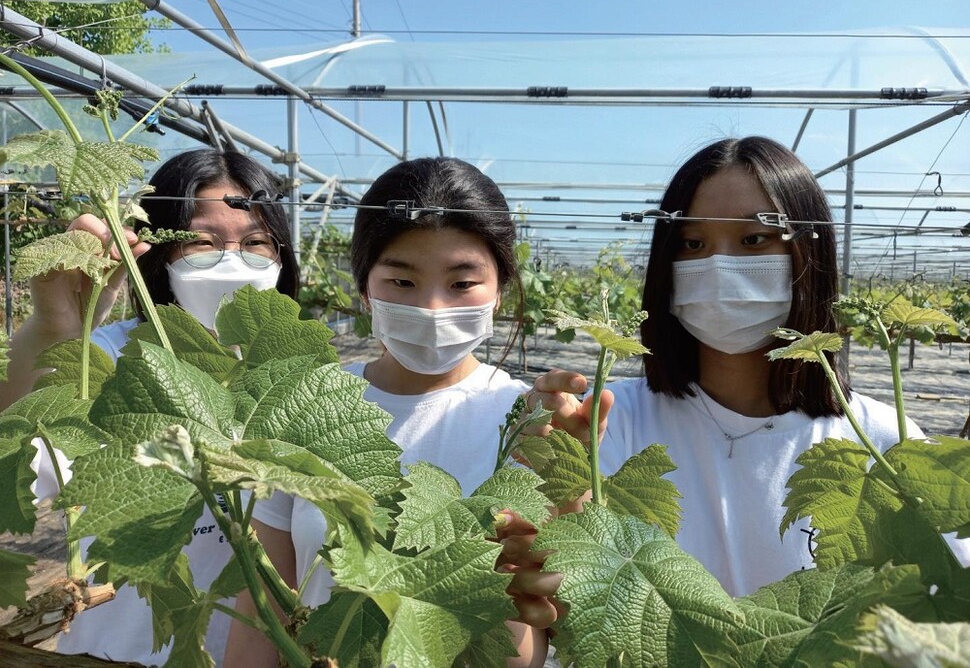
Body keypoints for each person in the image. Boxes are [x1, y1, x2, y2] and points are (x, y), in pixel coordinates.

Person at [526, 135, 968, 598]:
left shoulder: (883, 442)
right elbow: (567, 590)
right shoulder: (604, 422)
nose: (719, 265)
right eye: (693, 243)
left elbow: (946, 606)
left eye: (754, 239)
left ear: (811, 255)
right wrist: (558, 470)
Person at [225, 157, 552, 667]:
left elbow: (524, 639)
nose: (433, 308)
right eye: (402, 282)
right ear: (364, 288)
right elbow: (265, 597)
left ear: (500, 289)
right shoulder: (306, 406)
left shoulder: (527, 420)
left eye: (462, 283)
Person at [1, 148, 299, 665]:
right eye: (202, 243)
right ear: (157, 253)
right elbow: (19, 458)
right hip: (114, 651)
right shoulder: (111, 358)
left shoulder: (294, 369)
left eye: (255, 242)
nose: (232, 262)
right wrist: (49, 335)